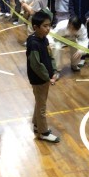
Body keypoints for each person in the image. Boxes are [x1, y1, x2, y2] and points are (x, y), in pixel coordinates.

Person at [26, 10, 60, 143]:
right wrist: (47, 77)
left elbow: (50, 56)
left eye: (49, 25)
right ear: (35, 27)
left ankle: (37, 124)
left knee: (40, 101)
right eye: (45, 26)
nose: (48, 28)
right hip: (39, 79)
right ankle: (43, 132)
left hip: (45, 78)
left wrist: (54, 70)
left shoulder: (44, 40)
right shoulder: (33, 43)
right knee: (42, 106)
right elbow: (36, 65)